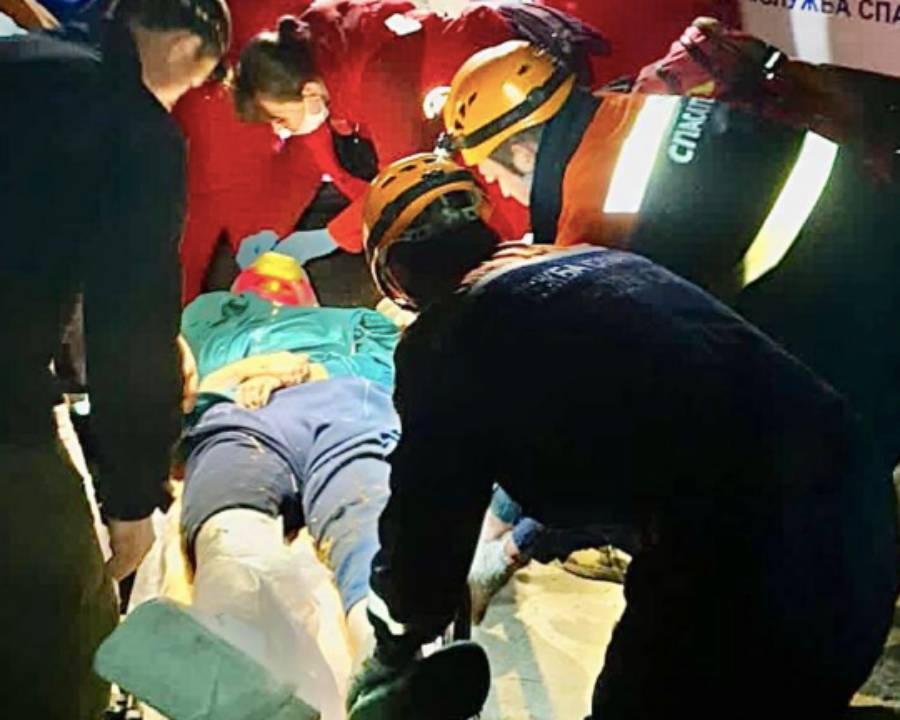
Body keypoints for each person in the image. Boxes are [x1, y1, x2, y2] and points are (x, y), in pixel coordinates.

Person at [344, 153, 898, 720]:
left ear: (398, 276)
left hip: (750, 543)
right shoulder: (603, 264)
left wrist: (394, 642)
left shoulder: (444, 341)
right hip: (861, 506)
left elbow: (425, 521)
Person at [440, 38, 900, 467]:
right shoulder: (623, 111)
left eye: (494, 176)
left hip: (838, 297)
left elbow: (621, 369)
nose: (502, 191)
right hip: (867, 215)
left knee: (832, 460)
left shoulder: (592, 215)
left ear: (522, 154)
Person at [109, 249, 485, 719]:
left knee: (367, 520)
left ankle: (385, 674)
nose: (275, 268)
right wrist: (258, 370)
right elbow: (183, 390)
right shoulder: (212, 315)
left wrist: (310, 371)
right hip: (242, 412)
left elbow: (398, 374)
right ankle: (245, 670)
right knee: (233, 531)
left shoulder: (356, 321)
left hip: (345, 403)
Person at [0, 0, 230, 716]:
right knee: (66, 608)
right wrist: (134, 497)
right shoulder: (135, 127)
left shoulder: (20, 62)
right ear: (188, 48)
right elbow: (129, 326)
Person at [179, 0, 609, 302]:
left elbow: (406, 182)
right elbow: (316, 162)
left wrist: (327, 238)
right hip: (454, 112)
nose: (280, 131)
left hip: (495, 97)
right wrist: (276, 231)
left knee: (519, 205)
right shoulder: (308, 64)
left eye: (279, 119)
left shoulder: (380, 74)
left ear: (308, 93)